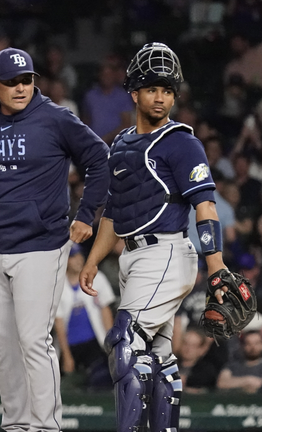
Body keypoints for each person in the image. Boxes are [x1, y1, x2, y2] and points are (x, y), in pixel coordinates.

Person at [0, 47, 110, 432]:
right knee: (1, 347)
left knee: (34, 340)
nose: (20, 88)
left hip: (42, 244)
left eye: (27, 80)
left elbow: (99, 159)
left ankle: (47, 426)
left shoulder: (55, 118)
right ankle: (16, 425)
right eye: (12, 81)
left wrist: (87, 215)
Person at [78, 42, 231, 432]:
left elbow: (206, 206)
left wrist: (216, 268)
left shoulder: (182, 141)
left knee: (124, 342)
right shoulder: (123, 143)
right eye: (152, 89)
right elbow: (115, 211)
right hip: (134, 256)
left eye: (167, 90)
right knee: (157, 356)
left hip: (166, 252)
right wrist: (94, 260)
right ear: (134, 92)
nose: (161, 97)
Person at [54, 244, 114, 390]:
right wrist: (67, 356)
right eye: (73, 257)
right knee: (67, 385)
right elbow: (59, 322)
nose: (78, 260)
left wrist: (111, 343)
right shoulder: (57, 284)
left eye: (79, 255)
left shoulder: (97, 278)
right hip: (70, 346)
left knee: (101, 379)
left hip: (94, 343)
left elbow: (105, 311)